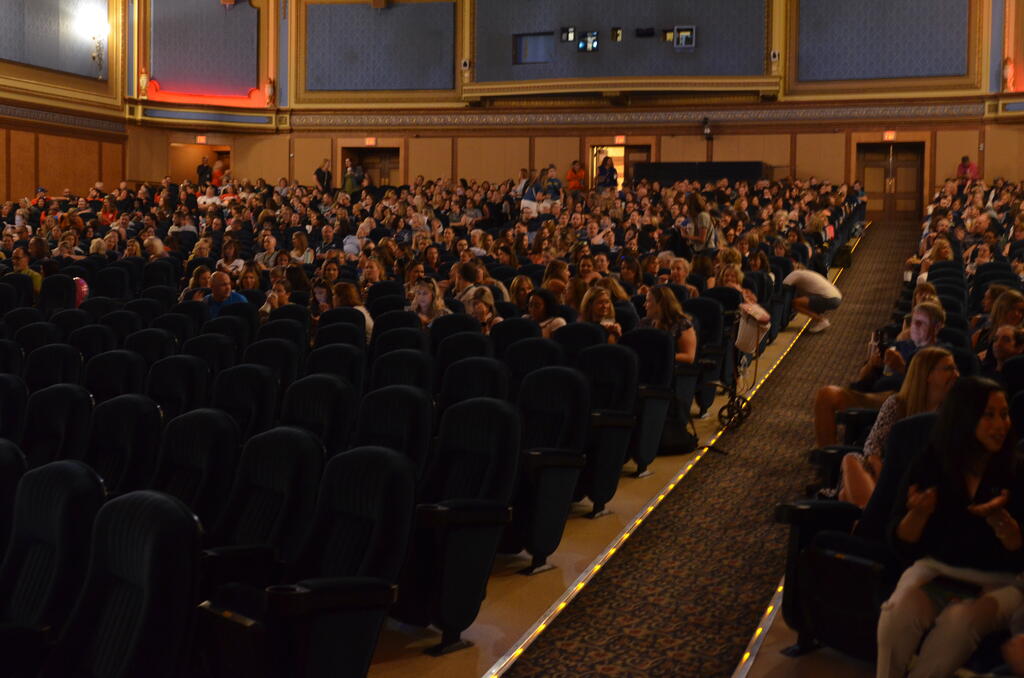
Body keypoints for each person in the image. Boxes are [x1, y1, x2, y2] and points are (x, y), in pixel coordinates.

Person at [876, 377, 1023, 678]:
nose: (1000, 425)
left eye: (1004, 414)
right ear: (964, 418)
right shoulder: (932, 462)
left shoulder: (1017, 469)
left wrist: (1006, 528)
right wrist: (918, 515)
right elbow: (900, 544)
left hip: (1000, 580)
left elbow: (1020, 557)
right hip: (938, 568)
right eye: (989, 415)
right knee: (898, 613)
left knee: (958, 623)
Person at [839, 347, 958, 508]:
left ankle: (869, 516)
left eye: (955, 368)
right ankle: (871, 513)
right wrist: (883, 481)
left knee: (846, 495)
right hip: (885, 472)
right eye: (948, 369)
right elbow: (873, 447)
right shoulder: (897, 404)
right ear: (927, 375)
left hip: (919, 482)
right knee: (851, 459)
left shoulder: (953, 412)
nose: (956, 374)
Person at [640, 285, 697, 364]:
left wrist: (659, 356)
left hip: (671, 368)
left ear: (660, 304)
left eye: (648, 301)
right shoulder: (645, 322)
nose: (644, 305)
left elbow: (689, 357)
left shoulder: (682, 324)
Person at [783, 266, 842, 333]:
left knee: (795, 303)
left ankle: (821, 320)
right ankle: (819, 321)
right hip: (837, 297)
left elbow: (784, 285)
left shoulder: (795, 273)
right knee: (804, 301)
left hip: (829, 298)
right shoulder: (807, 273)